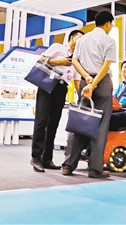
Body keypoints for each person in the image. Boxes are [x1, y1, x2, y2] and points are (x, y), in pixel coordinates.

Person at [62, 10, 116, 179]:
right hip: (102, 83)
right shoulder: (109, 41)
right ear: (107, 24)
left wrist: (87, 78)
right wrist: (94, 83)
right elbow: (106, 66)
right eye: (111, 25)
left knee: (80, 123)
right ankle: (95, 169)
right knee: (100, 126)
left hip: (86, 82)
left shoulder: (82, 39)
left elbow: (75, 61)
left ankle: (68, 165)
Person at [30, 30, 84, 173]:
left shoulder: (77, 58)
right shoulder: (58, 47)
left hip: (62, 88)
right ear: (72, 38)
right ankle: (36, 157)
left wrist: (82, 98)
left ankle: (47, 158)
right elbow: (42, 59)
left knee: (53, 124)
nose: (81, 41)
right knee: (41, 122)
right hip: (47, 84)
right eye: (80, 38)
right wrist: (60, 61)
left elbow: (77, 81)